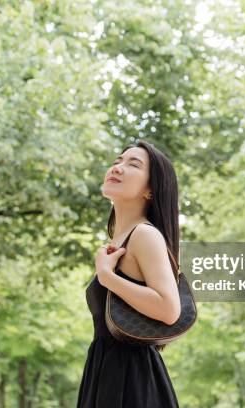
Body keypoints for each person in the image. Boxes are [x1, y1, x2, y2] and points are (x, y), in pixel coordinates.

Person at [76, 140, 181, 407]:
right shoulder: (121, 238)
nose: (118, 168)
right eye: (117, 161)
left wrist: (108, 277)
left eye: (133, 164)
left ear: (150, 190)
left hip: (131, 380)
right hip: (108, 370)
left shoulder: (144, 235)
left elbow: (169, 309)